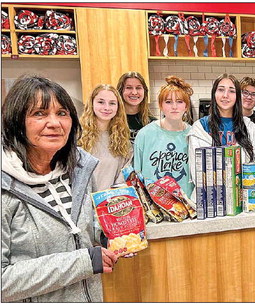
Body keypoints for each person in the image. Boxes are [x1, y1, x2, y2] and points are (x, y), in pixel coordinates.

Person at [1, 75, 118, 302]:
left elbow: (88, 229)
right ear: (16, 121)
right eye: (39, 113)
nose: (54, 123)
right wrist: (84, 262)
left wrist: (110, 237)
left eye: (62, 113)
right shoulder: (5, 188)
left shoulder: (80, 169)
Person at [133, 76, 194, 197]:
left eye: (179, 101)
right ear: (161, 105)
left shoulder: (193, 135)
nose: (174, 106)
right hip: (153, 207)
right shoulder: (145, 135)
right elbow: (136, 175)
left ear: (186, 106)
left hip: (186, 206)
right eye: (168, 102)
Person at [188, 73, 255, 166]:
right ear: (214, 93)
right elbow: (195, 167)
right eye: (221, 89)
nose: (225, 95)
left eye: (232, 91)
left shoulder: (249, 127)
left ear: (237, 96)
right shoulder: (200, 127)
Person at [78, 84, 132, 191]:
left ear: (118, 107)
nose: (106, 108)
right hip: (80, 204)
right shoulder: (77, 136)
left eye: (112, 103)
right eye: (101, 102)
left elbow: (121, 181)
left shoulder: (123, 142)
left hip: (109, 203)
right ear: (92, 103)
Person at [116, 71, 156, 143]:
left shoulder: (153, 124)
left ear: (145, 92)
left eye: (138, 88)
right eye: (129, 88)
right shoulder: (112, 121)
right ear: (120, 91)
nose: (134, 92)